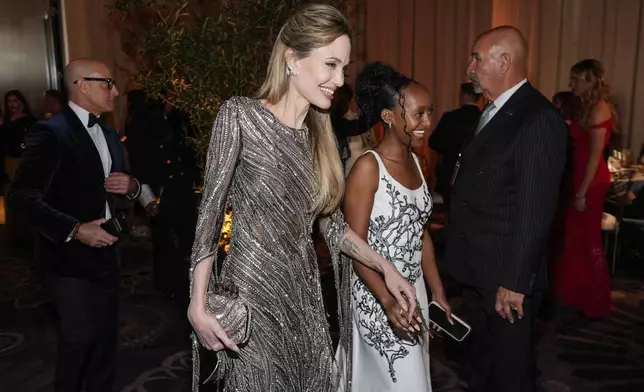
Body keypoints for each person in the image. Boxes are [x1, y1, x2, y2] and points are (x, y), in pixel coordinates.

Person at [187, 4, 417, 392]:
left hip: (305, 299)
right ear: (292, 59)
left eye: (343, 67)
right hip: (254, 297)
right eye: (330, 64)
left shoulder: (319, 139)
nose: (339, 79)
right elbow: (209, 219)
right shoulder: (240, 116)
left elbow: (334, 228)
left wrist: (387, 268)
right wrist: (198, 303)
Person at [444, 26, 567, 392]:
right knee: (483, 365)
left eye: (476, 58)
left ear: (504, 61)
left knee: (511, 374)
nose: (469, 68)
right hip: (478, 268)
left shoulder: (537, 118)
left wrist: (514, 282)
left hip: (505, 279)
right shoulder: (496, 110)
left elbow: (535, 209)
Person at [7, 59, 141, 392]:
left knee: (105, 340)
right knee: (78, 339)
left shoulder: (108, 131)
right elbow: (22, 196)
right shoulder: (50, 132)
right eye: (107, 82)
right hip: (66, 258)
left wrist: (132, 186)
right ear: (81, 84)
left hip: (108, 251)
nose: (116, 90)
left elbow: (118, 186)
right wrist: (75, 229)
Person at [344, 61, 451, 391]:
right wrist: (387, 300)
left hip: (413, 292)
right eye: (418, 114)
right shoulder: (367, 167)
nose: (427, 122)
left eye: (429, 112)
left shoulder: (418, 163)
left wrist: (438, 292)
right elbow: (353, 247)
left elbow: (421, 236)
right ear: (388, 117)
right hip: (376, 293)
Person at [552, 59, 616, 319]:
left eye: (576, 79)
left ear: (590, 80)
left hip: (590, 182)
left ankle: (594, 300)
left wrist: (581, 193)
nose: (571, 84)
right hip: (581, 179)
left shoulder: (599, 109)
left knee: (588, 241)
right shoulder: (586, 107)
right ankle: (577, 295)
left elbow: (594, 155)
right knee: (575, 240)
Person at [428, 82, 484, 207]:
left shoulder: (450, 117)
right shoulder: (484, 119)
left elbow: (433, 142)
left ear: (464, 95)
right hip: (477, 178)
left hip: (450, 174)